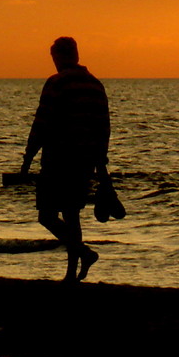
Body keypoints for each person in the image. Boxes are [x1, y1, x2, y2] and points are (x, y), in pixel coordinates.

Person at [21, 37, 110, 283]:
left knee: (46, 215)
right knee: (72, 214)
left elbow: (41, 123)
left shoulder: (56, 83)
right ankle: (71, 273)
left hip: (58, 158)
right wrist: (100, 163)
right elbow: (104, 127)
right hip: (85, 161)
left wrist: (28, 159)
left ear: (58, 56)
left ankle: (84, 253)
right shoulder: (95, 85)